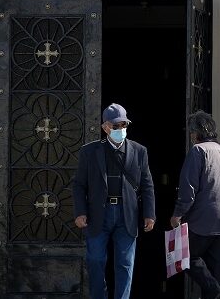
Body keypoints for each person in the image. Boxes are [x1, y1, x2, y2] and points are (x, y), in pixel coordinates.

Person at [73, 103, 156, 299]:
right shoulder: (89, 152)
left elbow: (147, 185)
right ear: (105, 127)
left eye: (124, 125)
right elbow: (78, 185)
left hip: (126, 213)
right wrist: (80, 212)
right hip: (98, 214)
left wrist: (149, 214)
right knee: (95, 260)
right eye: (116, 126)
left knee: (125, 264)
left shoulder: (139, 151)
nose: (121, 129)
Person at [171, 111, 220, 299]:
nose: (191, 137)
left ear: (195, 133)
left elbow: (188, 188)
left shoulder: (198, 151)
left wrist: (178, 214)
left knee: (182, 256)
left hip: (202, 220)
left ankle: (219, 293)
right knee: (215, 274)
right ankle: (217, 292)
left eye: (191, 133)